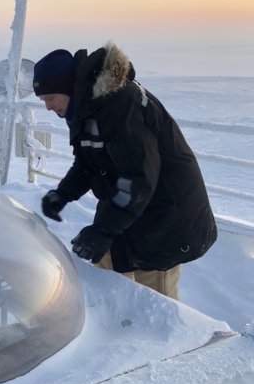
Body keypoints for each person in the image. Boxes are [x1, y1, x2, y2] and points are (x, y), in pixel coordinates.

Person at [33, 42, 217, 300]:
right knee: (108, 276)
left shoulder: (119, 104)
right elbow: (89, 164)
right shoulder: (88, 109)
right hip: (131, 210)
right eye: (43, 101)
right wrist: (62, 194)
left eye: (50, 98)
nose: (48, 107)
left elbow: (138, 177)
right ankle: (118, 332)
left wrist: (103, 231)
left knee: (153, 301)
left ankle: (167, 340)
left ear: (67, 88)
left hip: (164, 216)